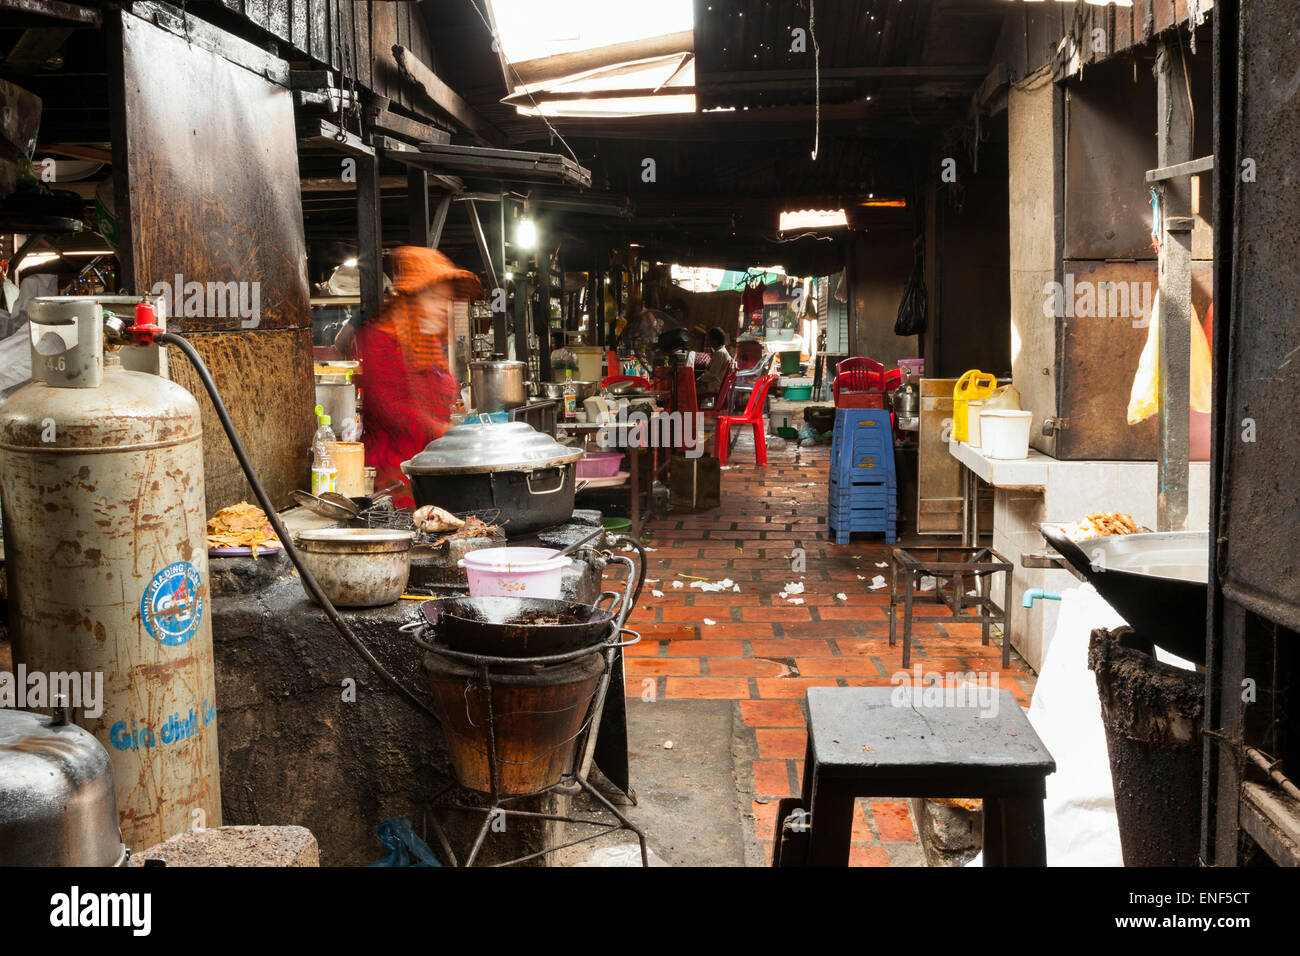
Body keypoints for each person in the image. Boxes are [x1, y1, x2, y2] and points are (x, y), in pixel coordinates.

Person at [353, 247, 481, 507]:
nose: (443, 308)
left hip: (431, 475)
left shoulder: (429, 344)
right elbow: (391, 408)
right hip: (394, 487)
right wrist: (448, 433)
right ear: (413, 298)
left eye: (446, 300)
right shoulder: (381, 339)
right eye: (434, 298)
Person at [696, 326, 732, 398]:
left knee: (688, 389)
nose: (708, 342)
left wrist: (699, 379)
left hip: (713, 386)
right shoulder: (721, 351)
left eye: (709, 339)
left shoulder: (720, 353)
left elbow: (712, 373)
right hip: (714, 383)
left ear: (715, 340)